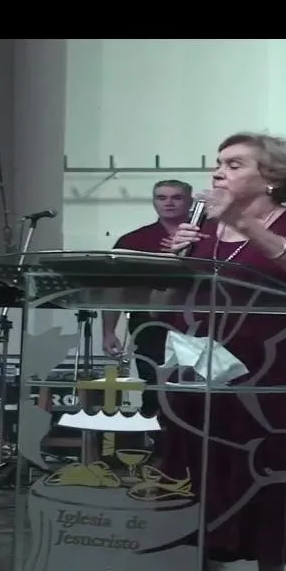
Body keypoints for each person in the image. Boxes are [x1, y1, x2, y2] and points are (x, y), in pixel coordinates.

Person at [165, 132, 286, 571]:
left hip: (268, 373)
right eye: (217, 163)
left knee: (265, 470)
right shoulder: (204, 227)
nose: (218, 172)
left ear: (271, 177)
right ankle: (201, 566)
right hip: (201, 369)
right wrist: (176, 260)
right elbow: (180, 296)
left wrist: (242, 222)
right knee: (200, 471)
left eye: (234, 164)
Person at [102, 179, 194, 418]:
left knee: (197, 391)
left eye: (177, 197)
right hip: (149, 326)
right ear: (154, 202)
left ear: (190, 201)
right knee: (154, 388)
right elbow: (114, 287)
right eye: (161, 197)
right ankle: (157, 438)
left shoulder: (208, 237)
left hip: (199, 324)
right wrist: (108, 331)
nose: (169, 203)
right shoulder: (134, 241)